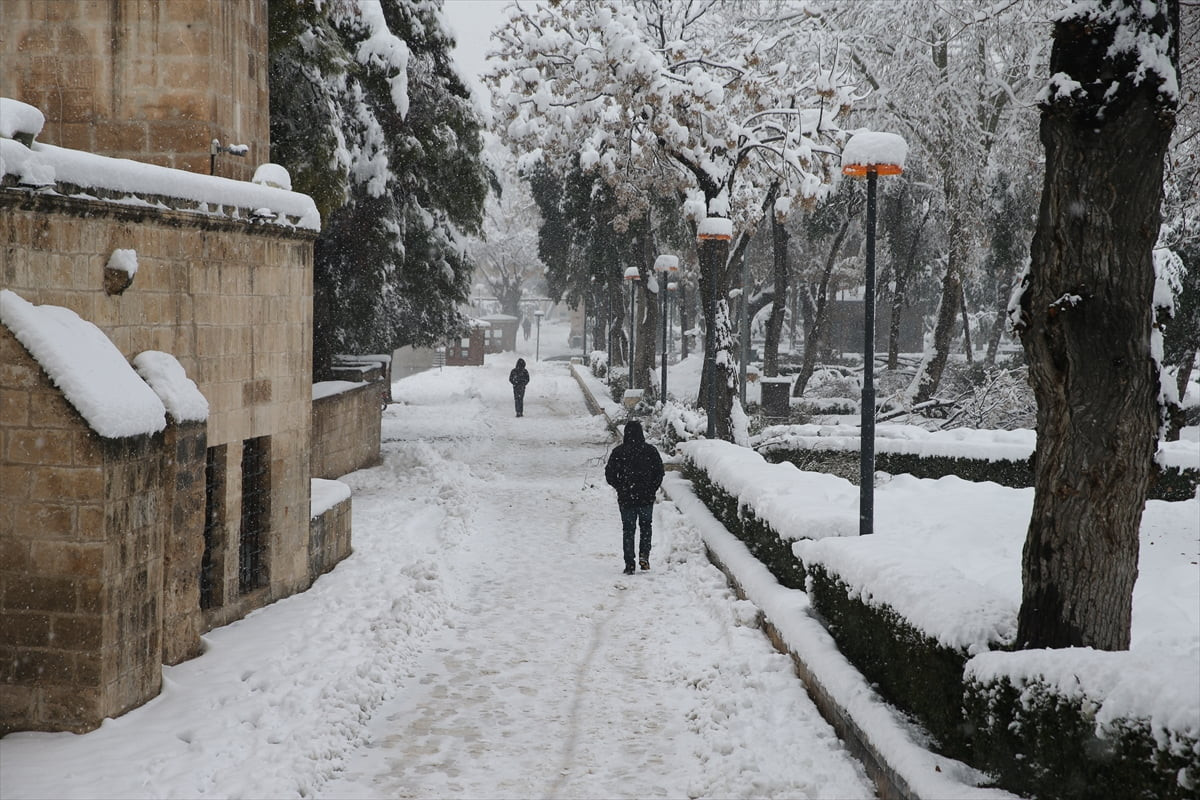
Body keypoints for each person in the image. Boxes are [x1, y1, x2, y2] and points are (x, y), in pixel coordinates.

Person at [604, 420, 665, 575]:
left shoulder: (618, 452)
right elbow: (659, 472)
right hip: (645, 497)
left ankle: (629, 562)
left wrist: (620, 487)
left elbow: (609, 474)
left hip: (626, 498)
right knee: (646, 527)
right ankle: (644, 555)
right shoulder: (650, 451)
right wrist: (651, 488)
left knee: (628, 530)